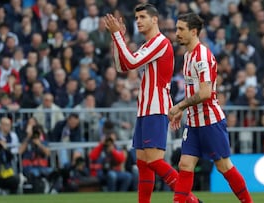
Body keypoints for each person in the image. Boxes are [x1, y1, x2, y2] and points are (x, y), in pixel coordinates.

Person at [104, 3, 201, 203]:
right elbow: (122, 65)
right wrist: (117, 39)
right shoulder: (147, 45)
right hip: (144, 109)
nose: (138, 21)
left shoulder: (160, 42)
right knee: (142, 164)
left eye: (142, 17)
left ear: (154, 19)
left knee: (155, 161)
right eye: (136, 18)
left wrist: (117, 36)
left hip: (155, 108)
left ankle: (191, 200)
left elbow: (130, 63)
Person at [169, 13, 253, 203]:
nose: (177, 33)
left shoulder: (202, 56)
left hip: (210, 121)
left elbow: (206, 93)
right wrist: (183, 110)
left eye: (181, 29)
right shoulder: (188, 55)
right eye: (177, 28)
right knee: (185, 164)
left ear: (193, 31)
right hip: (193, 122)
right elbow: (194, 91)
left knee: (224, 166)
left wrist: (179, 105)